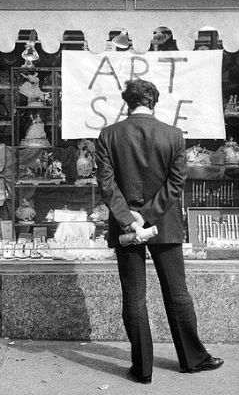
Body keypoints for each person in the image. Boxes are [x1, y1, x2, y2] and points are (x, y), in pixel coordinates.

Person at [95, 79, 224, 384]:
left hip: (126, 226)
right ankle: (192, 359)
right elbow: (176, 185)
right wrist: (148, 216)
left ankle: (142, 368)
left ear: (128, 102)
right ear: (153, 102)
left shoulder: (109, 135)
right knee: (177, 293)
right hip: (164, 223)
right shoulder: (174, 135)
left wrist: (129, 219)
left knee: (134, 296)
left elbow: (106, 184)